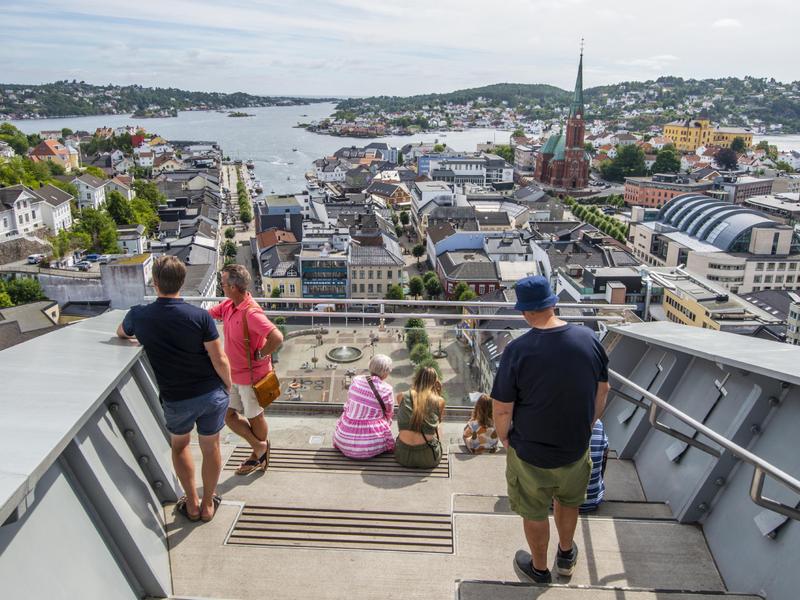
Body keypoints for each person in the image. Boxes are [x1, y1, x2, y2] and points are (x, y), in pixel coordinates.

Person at [491, 275, 609, 584]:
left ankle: (539, 569)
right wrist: (589, 423)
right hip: (575, 446)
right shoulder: (588, 340)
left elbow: (502, 407)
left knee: (533, 510)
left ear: (525, 312)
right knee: (569, 502)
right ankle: (566, 555)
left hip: (530, 450)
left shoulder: (518, 350)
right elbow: (603, 389)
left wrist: (505, 436)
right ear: (553, 303)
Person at [117, 255, 231, 523]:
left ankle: (191, 503)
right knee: (210, 445)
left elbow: (122, 332)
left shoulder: (140, 315)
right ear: (182, 281)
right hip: (209, 392)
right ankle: (208, 505)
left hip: (176, 397)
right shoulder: (200, 317)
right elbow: (219, 358)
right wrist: (227, 384)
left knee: (180, 446)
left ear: (155, 283)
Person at [208, 264, 284, 475]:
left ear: (233, 286)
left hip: (252, 377)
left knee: (255, 417)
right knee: (228, 415)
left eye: (223, 283)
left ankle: (257, 455)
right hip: (233, 375)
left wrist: (261, 354)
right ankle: (260, 448)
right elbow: (207, 315)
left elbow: (277, 337)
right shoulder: (229, 305)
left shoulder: (250, 313)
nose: (221, 287)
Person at [333, 354, 395, 459]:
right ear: (385, 372)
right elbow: (389, 413)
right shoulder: (387, 389)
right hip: (370, 446)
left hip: (343, 440)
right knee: (386, 424)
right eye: (389, 369)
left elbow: (348, 404)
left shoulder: (356, 380)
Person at [394, 367, 445, 469]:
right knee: (438, 425)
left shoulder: (401, 396)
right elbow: (436, 429)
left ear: (416, 378)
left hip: (402, 456)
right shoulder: (439, 401)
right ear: (435, 381)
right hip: (428, 458)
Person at [579, 419, 609, 513]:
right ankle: (594, 485)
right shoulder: (598, 423)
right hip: (591, 503)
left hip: (556, 504)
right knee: (603, 453)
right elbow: (606, 449)